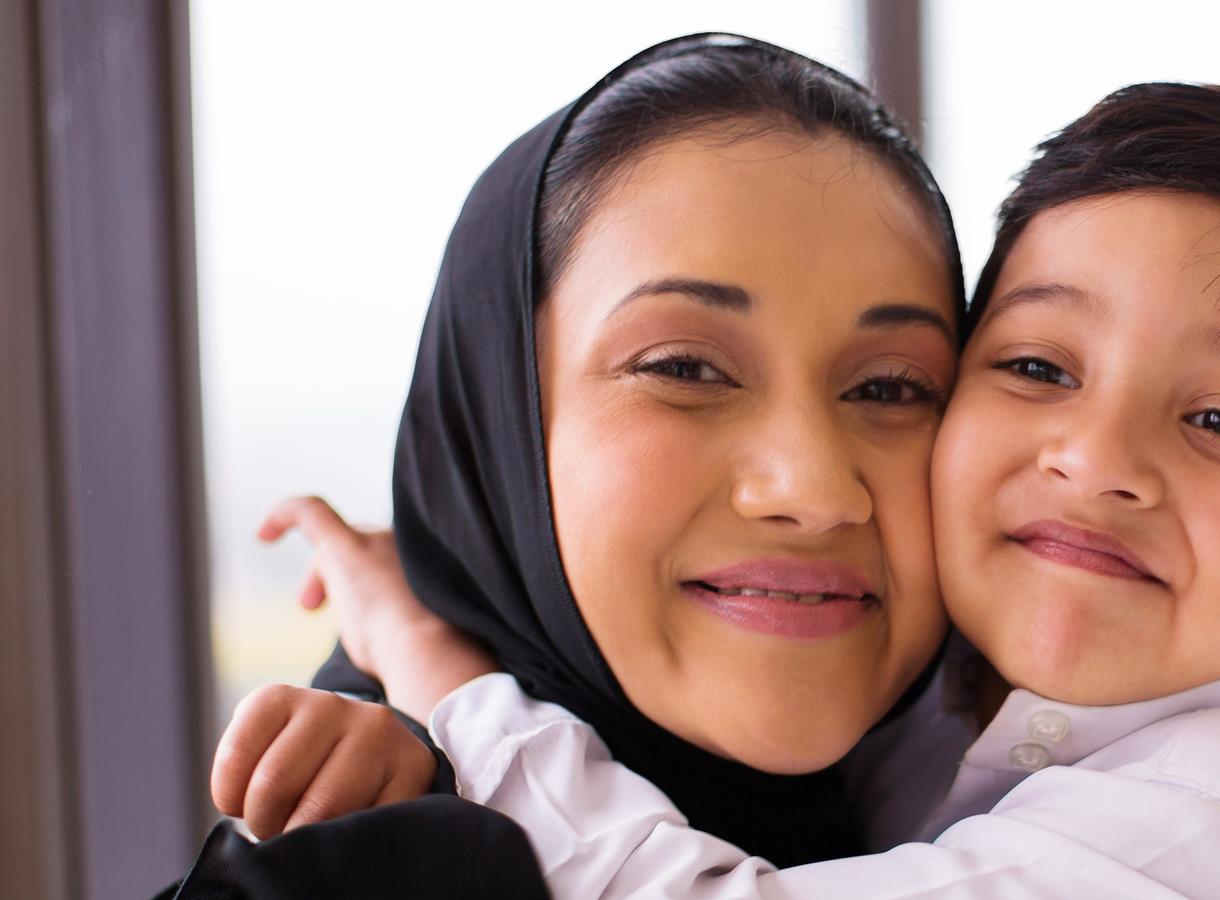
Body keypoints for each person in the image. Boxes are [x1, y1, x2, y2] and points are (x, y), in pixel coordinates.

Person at [224, 81, 1220, 899]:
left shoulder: (1213, 833)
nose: (1093, 461)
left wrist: (443, 675)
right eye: (1036, 366)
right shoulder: (942, 714)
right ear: (492, 420)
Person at [181, 31, 968, 893]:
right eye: (683, 369)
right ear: (497, 429)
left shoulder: (1030, 814)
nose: (815, 490)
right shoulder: (363, 858)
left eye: (891, 388)